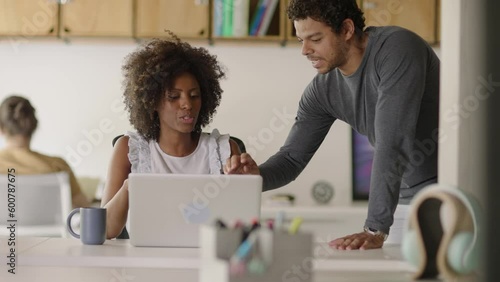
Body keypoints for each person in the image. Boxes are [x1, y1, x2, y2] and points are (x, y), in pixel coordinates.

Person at [225, 0, 440, 250]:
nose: (305, 50)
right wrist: (256, 176)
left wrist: (374, 228)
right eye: (300, 40)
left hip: (453, 191)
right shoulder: (322, 90)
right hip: (403, 205)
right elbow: (292, 159)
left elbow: (392, 142)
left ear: (347, 30)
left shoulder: (397, 48)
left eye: (315, 39)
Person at [100, 33, 241, 239]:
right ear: (152, 102)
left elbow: (239, 227)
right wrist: (129, 187)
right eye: (174, 97)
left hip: (206, 261)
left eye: (195, 96)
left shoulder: (224, 150)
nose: (187, 104)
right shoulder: (128, 148)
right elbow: (106, 230)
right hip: (144, 263)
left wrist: (246, 181)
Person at [0, 95, 91, 208]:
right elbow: (85, 208)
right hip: (50, 226)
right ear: (34, 127)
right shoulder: (58, 166)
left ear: (1, 128)